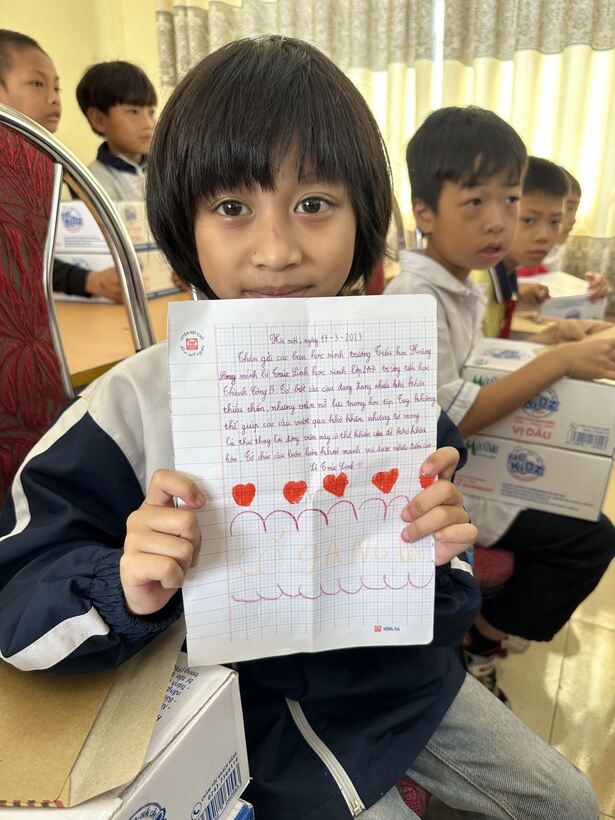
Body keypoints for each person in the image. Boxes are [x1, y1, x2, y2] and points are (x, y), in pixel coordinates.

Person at [0, 41, 600, 820]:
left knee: (569, 800)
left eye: (313, 204)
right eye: (231, 208)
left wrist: (438, 557)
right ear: (183, 223)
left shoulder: (390, 385)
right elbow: (18, 602)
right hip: (240, 714)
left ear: (362, 216)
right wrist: (124, 583)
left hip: (395, 688)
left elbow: (441, 594)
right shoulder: (129, 406)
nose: (277, 250)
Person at [386, 106, 615, 706]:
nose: (499, 221)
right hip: (446, 484)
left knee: (583, 493)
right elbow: (454, 416)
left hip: (478, 461)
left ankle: (482, 633)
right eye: (475, 202)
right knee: (591, 538)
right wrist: (558, 361)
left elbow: (479, 365)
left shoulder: (463, 282)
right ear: (424, 214)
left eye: (510, 200)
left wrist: (551, 341)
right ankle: (483, 639)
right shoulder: (414, 295)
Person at [0, 29, 122, 302]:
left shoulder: (47, 166)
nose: (54, 98)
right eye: (37, 83)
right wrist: (89, 281)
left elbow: (35, 255)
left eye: (56, 87)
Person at [471, 157, 610, 339]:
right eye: (529, 220)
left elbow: (487, 350)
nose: (543, 236)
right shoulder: (475, 284)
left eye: (555, 222)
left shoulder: (504, 277)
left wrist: (553, 334)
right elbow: (473, 357)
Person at [76, 60, 156, 202]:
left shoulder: (166, 170)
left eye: (151, 112)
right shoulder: (91, 182)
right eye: (133, 111)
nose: (149, 124)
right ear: (99, 120)